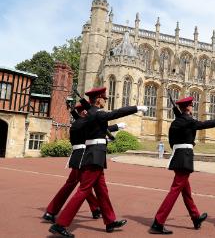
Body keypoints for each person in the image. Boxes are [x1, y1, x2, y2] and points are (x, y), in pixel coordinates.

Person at [49, 87, 148, 237]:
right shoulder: (96, 113)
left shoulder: (91, 115)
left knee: (102, 191)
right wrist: (137, 108)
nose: (105, 102)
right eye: (104, 99)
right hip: (94, 155)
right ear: (99, 99)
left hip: (96, 155)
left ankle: (109, 220)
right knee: (83, 190)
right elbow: (117, 113)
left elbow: (100, 128)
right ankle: (60, 224)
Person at [149, 96, 215, 235]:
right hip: (185, 157)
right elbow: (202, 124)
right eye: (191, 106)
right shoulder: (187, 120)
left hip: (178, 155)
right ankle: (158, 222)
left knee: (186, 192)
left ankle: (195, 217)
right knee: (175, 190)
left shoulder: (176, 123)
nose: (193, 107)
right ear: (188, 107)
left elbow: (172, 142)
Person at [42, 103, 126, 224]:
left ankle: (98, 210)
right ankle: (53, 213)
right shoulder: (82, 122)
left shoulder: (82, 122)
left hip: (85, 156)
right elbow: (96, 126)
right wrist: (116, 127)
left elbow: (96, 126)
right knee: (79, 186)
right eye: (86, 111)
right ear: (83, 112)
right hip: (83, 156)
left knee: (94, 187)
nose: (89, 112)